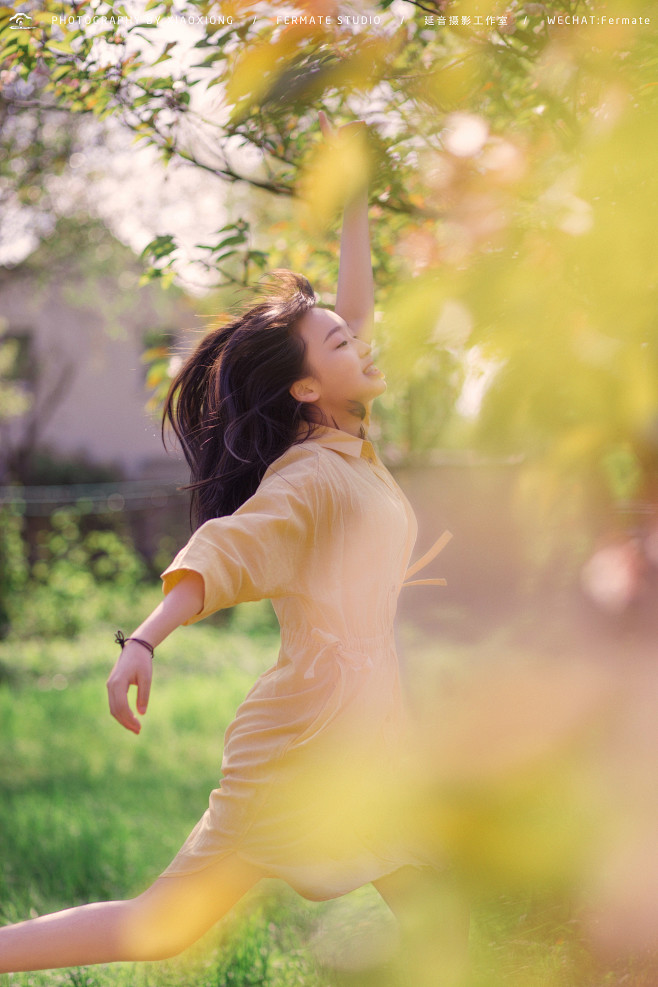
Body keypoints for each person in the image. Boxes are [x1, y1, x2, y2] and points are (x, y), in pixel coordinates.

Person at [0, 112, 469, 982]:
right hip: (301, 745)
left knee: (447, 924)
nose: (361, 343)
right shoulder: (310, 478)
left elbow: (352, 311)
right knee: (159, 928)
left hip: (366, 736)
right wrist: (142, 640)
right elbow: (226, 546)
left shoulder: (347, 449)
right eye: (339, 345)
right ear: (306, 386)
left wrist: (359, 195)